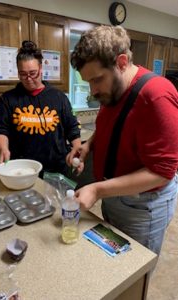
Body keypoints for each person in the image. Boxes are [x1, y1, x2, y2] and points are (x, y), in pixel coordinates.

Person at [68, 25, 178, 255]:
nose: (93, 90)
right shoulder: (114, 90)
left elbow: (162, 171)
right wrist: (90, 144)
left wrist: (97, 190)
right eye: (88, 82)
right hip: (115, 195)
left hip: (142, 206)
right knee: (114, 265)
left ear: (120, 63)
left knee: (133, 276)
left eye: (97, 79)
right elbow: (112, 124)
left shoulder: (156, 96)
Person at [0, 40, 81, 176]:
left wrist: (78, 149)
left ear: (41, 69)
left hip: (56, 168)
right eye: (23, 74)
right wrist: (3, 148)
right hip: (21, 170)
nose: (28, 78)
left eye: (33, 73)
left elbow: (72, 128)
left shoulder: (59, 97)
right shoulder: (8, 99)